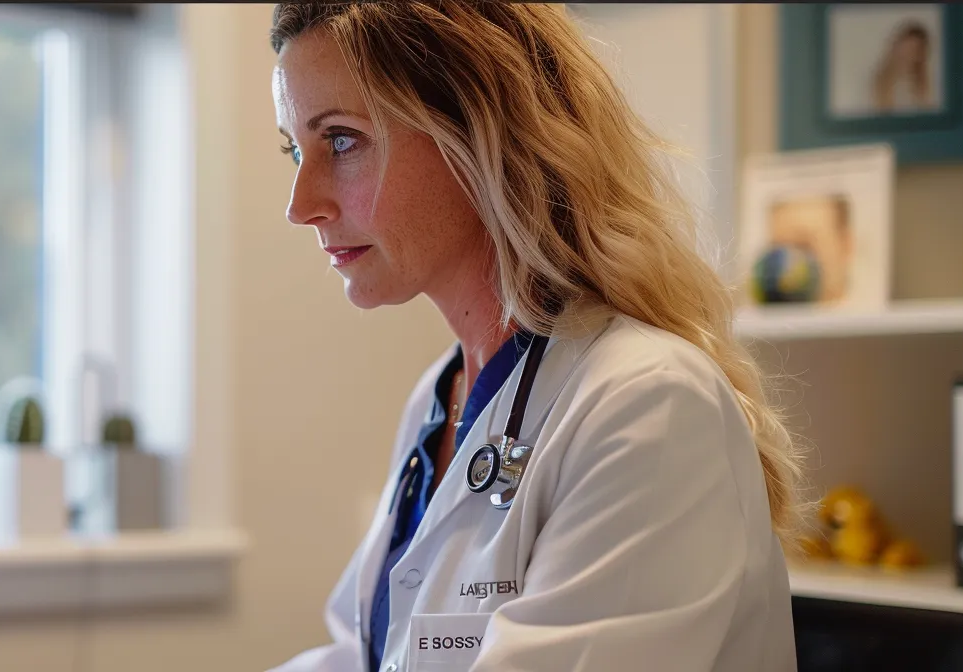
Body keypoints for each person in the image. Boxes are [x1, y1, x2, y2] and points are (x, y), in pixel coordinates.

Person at [266, 3, 803, 671]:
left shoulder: (649, 405)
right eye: (295, 148)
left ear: (481, 130)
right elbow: (367, 654)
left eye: (341, 140)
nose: (299, 203)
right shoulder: (442, 401)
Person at [872, 21, 934, 115]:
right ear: (897, 46)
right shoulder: (881, 81)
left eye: (914, 49)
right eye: (907, 47)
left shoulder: (924, 83)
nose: (908, 54)